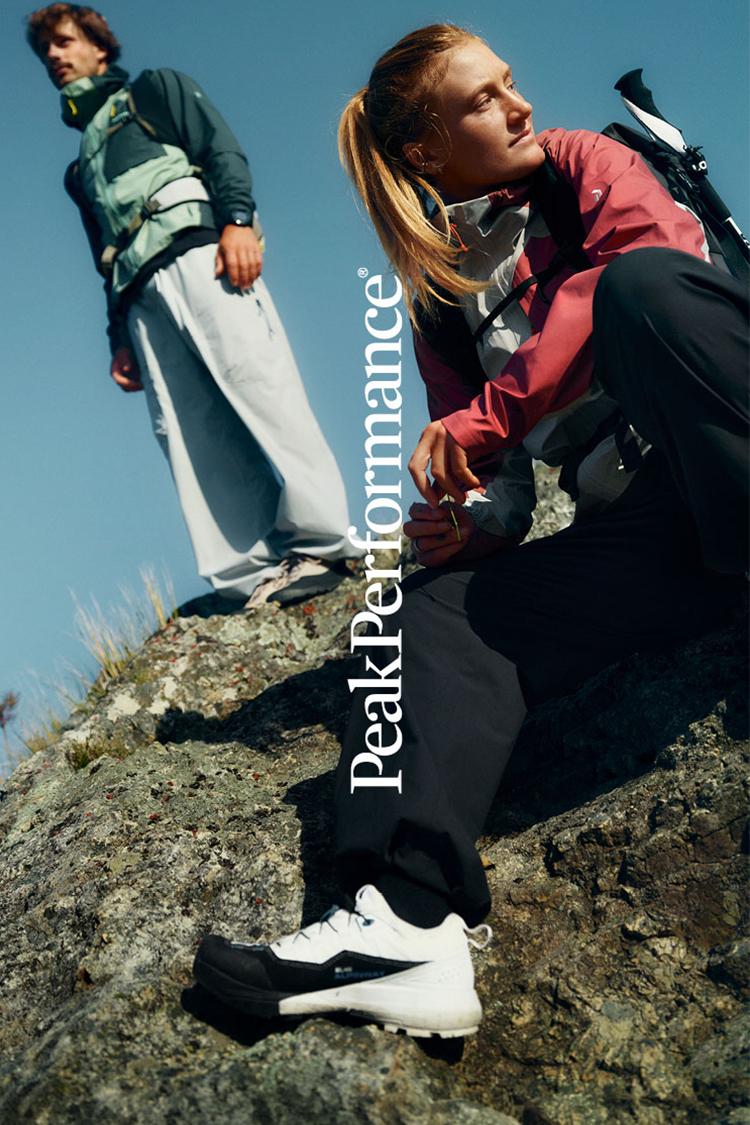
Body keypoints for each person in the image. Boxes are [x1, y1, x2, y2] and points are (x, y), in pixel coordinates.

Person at [194, 25, 748, 1036]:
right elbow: (498, 488)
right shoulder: (441, 299)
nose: (520, 103)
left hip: (732, 447)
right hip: (665, 533)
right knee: (422, 616)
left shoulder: (587, 161)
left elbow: (645, 273)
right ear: (425, 150)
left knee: (640, 292)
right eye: (484, 98)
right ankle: (408, 926)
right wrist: (463, 524)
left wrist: (483, 421)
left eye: (510, 82)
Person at [27, 4, 359, 608]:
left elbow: (218, 148)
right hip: (139, 297)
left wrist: (237, 220)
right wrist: (117, 337)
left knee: (258, 383)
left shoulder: (153, 91)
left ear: (99, 47)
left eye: (64, 42)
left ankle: (322, 542)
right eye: (45, 50)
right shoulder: (79, 172)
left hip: (201, 257)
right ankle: (249, 574)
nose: (53, 56)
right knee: (187, 430)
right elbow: (101, 253)